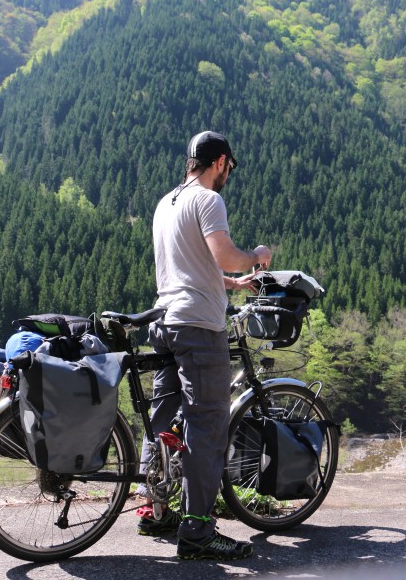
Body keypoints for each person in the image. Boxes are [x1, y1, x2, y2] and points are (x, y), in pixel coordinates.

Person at [136, 130, 272, 561]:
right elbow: (223, 254)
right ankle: (197, 532)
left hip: (165, 321)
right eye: (229, 166)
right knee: (208, 425)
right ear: (220, 162)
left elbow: (188, 265)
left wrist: (233, 284)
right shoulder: (208, 199)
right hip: (198, 327)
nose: (228, 173)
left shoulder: (167, 202)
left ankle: (153, 508)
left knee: (161, 417)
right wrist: (255, 256)